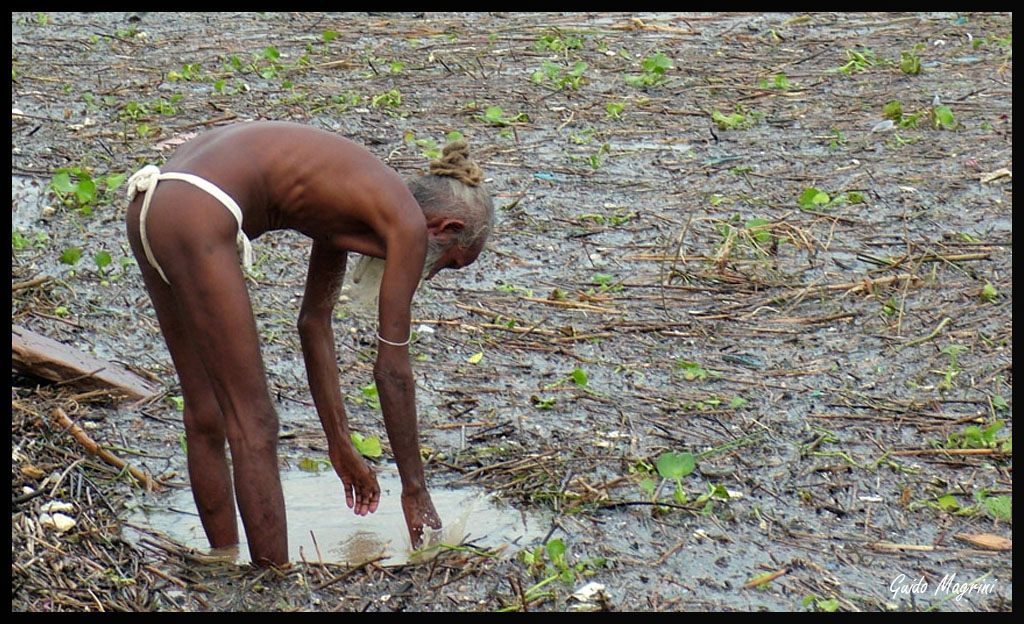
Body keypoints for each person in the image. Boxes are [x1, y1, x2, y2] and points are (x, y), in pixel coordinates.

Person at [124, 121, 494, 566]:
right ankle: (272, 584)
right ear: (444, 228)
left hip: (152, 201)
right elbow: (392, 370)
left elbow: (313, 324)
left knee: (207, 411)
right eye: (450, 265)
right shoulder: (409, 226)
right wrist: (415, 490)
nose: (430, 274)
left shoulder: (353, 199)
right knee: (254, 422)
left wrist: (339, 442)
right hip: (199, 210)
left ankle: (222, 562)